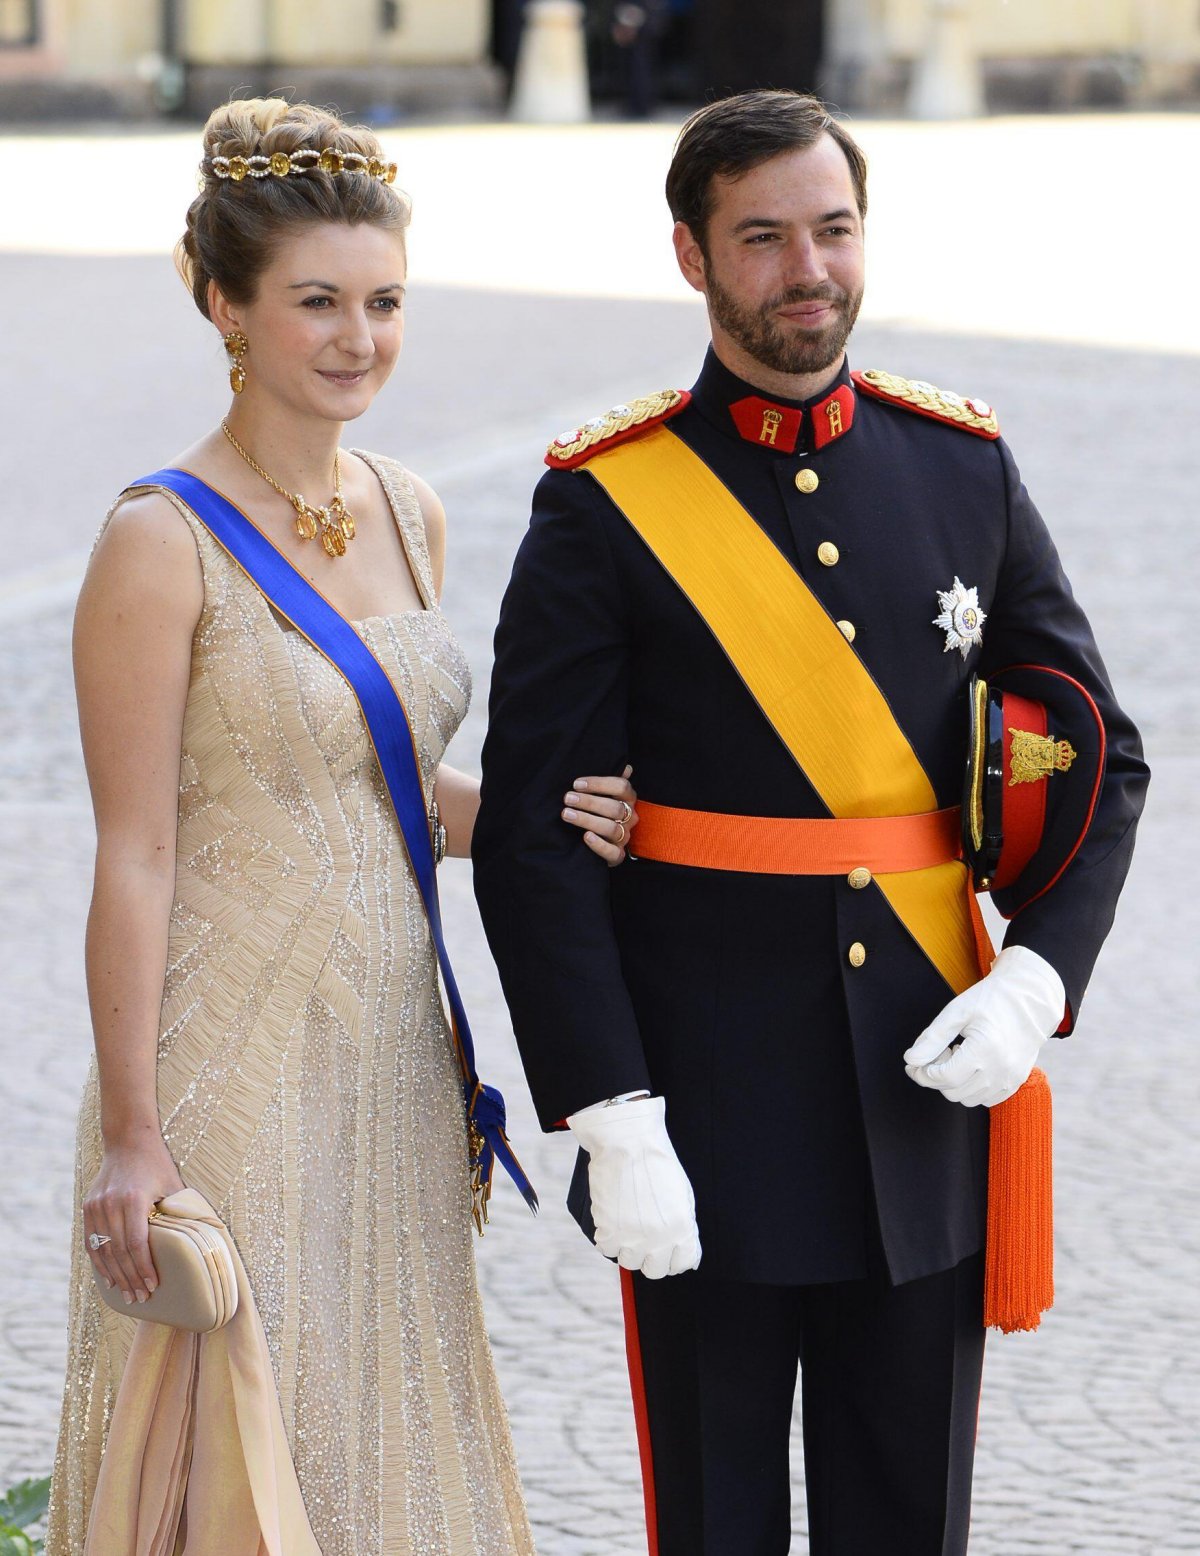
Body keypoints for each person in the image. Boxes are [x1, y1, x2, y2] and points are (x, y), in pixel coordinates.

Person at [472, 90, 1149, 1555]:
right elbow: (533, 837)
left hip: (928, 1091)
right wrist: (611, 1112)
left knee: (911, 1521)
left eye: (832, 231)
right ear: (691, 256)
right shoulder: (606, 505)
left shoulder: (959, 466)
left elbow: (1104, 754)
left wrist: (1036, 984)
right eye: (764, 238)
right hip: (701, 1111)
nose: (808, 271)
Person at [45, 96, 639, 1556]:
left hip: (388, 1054)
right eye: (316, 302)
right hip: (230, 1062)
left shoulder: (413, 511)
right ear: (221, 303)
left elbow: (368, 785)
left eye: (383, 303)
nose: (358, 338)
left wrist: (542, 818)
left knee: (386, 1426)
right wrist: (136, 1138)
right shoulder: (157, 541)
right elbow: (136, 851)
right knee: (255, 1441)